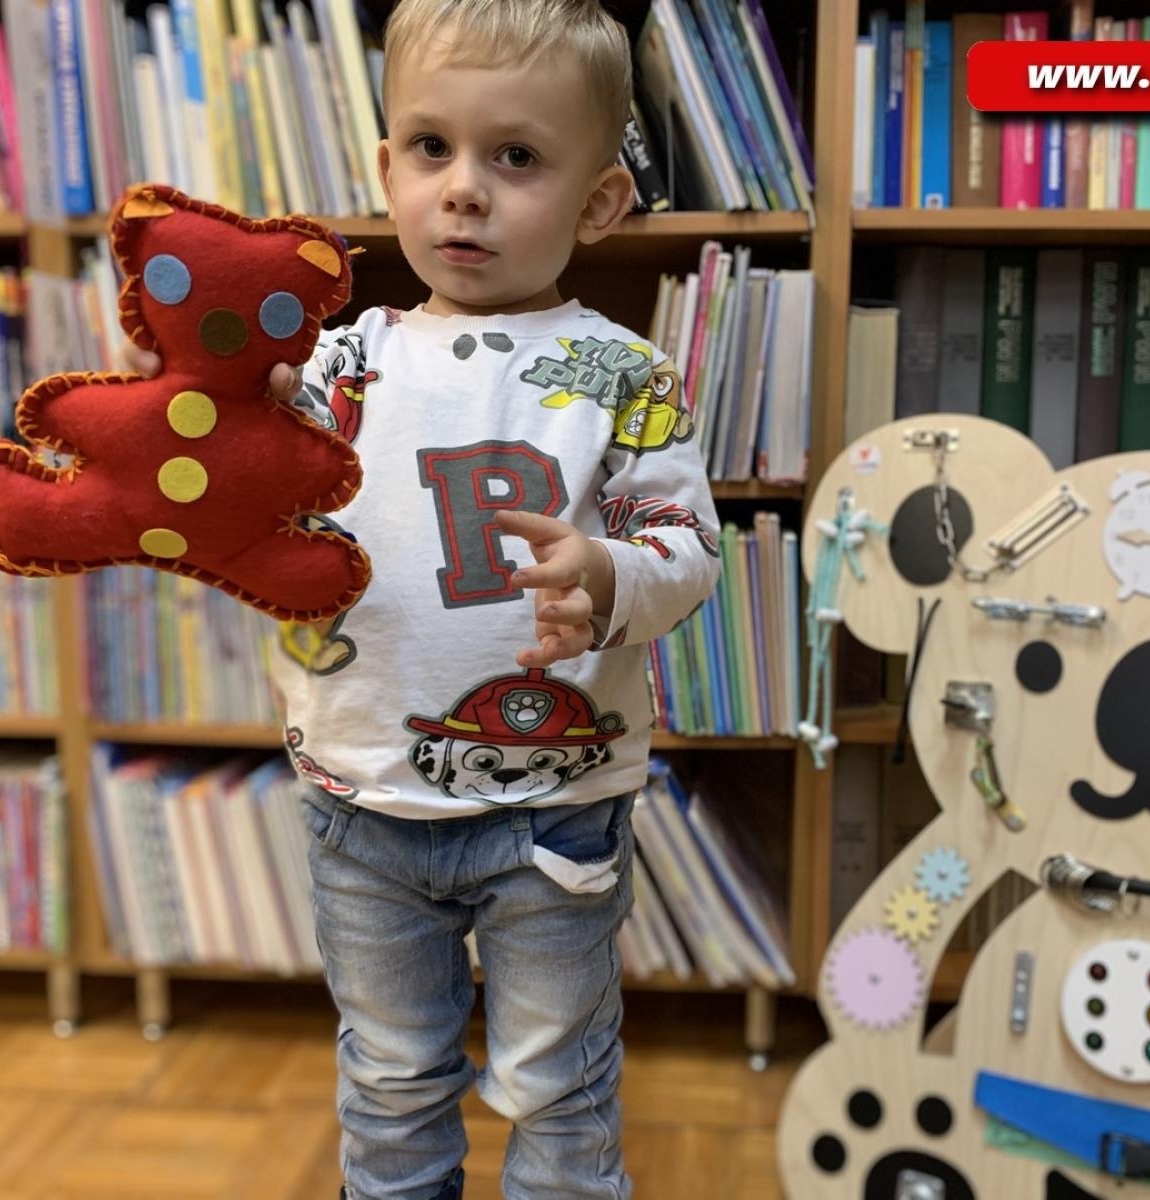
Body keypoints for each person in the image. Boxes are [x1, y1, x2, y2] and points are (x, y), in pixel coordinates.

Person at [127, 2, 719, 1195]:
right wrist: (191, 400)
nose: (464, 191)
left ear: (598, 203)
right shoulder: (344, 363)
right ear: (385, 165)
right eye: (432, 149)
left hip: (556, 808)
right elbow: (247, 478)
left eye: (516, 158)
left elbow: (686, 545)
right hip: (360, 799)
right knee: (391, 1078)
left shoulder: (622, 372)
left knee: (558, 1081)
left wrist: (609, 578)